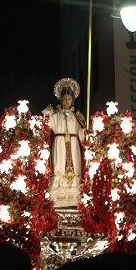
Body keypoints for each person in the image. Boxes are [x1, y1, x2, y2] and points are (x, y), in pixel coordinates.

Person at [43, 77, 85, 207]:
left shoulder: (76, 116)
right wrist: (47, 115)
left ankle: (75, 193)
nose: (67, 102)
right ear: (60, 99)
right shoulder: (55, 115)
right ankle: (58, 193)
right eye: (65, 99)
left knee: (75, 165)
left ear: (72, 101)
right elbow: (46, 127)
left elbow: (81, 132)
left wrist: (85, 132)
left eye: (69, 99)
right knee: (59, 164)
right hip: (60, 143)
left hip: (73, 144)